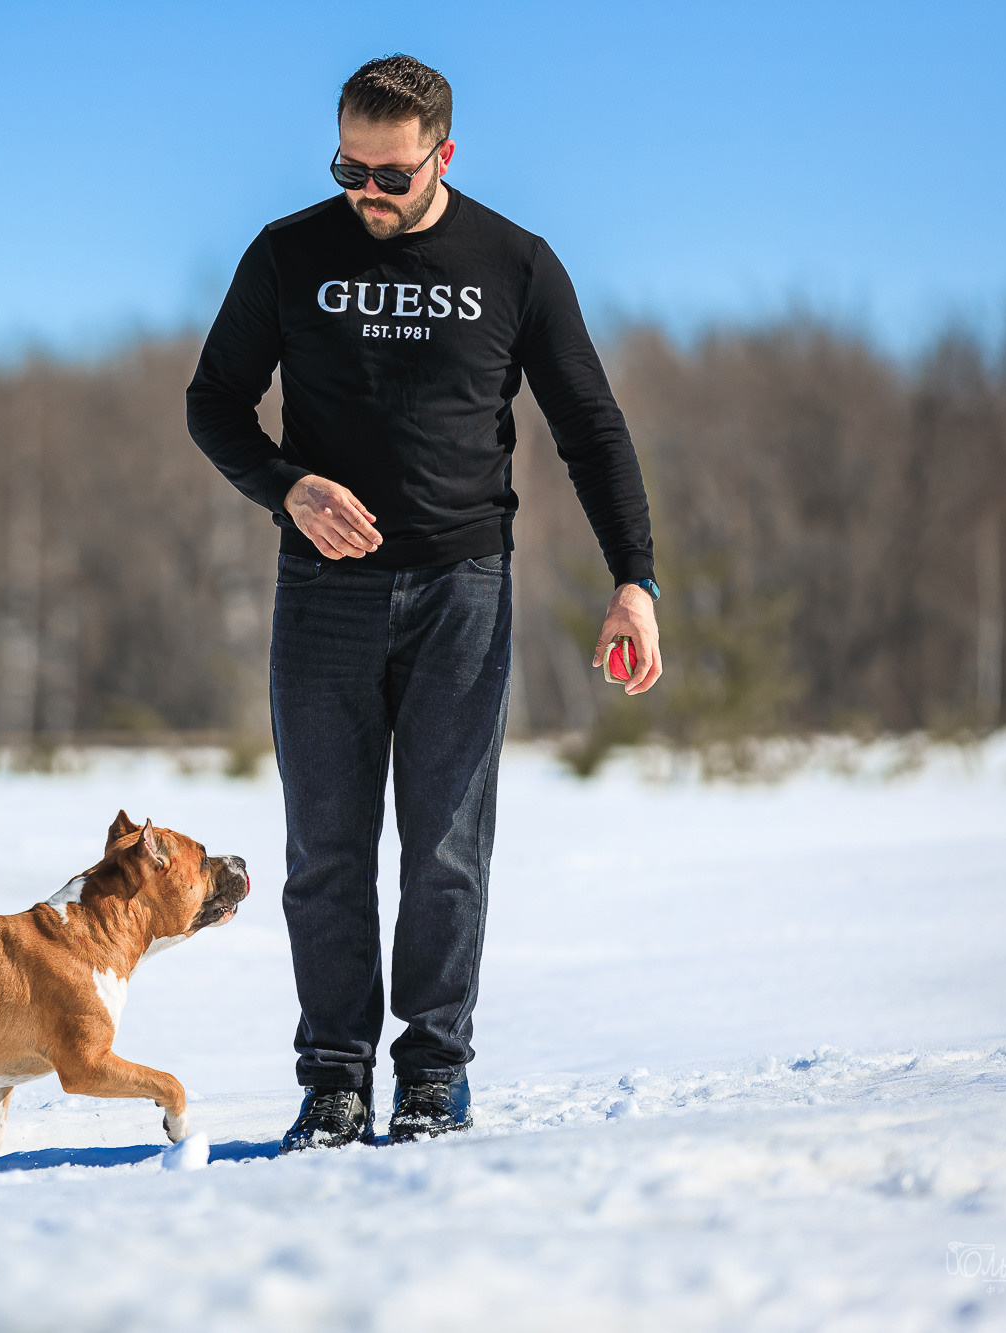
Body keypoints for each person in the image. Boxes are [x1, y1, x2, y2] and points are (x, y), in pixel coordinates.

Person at [186, 54, 663, 1150]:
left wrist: (630, 579)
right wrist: (286, 486)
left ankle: (432, 1072)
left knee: (445, 849)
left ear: (441, 155)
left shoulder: (514, 263)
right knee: (326, 851)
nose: (365, 192)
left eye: (388, 175)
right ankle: (334, 1079)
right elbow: (212, 402)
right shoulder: (287, 254)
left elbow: (588, 430)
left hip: (462, 590)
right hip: (323, 595)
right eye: (347, 167)